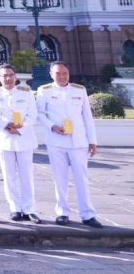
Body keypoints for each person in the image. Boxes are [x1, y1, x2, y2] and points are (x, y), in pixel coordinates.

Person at [36, 61, 102, 228]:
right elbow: (40, 114)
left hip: (78, 141)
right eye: (58, 73)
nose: (62, 76)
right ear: (51, 74)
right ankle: (62, 212)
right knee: (60, 179)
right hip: (56, 141)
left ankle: (87, 214)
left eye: (65, 73)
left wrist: (92, 141)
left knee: (82, 179)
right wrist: (52, 126)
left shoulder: (79, 90)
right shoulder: (44, 91)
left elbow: (87, 117)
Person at [0, 63, 41, 223]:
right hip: (4, 138)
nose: (8, 78)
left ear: (15, 77)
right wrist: (5, 126)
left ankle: (29, 209)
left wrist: (21, 128)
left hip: (24, 138)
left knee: (26, 175)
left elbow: (32, 115)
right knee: (9, 176)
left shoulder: (27, 93)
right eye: (4, 76)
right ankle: (15, 208)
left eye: (11, 75)